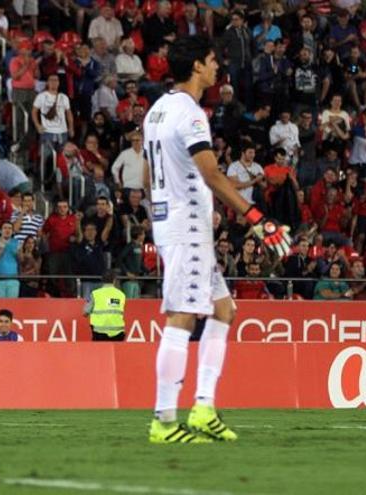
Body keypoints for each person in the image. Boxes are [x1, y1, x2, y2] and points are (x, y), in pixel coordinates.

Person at [143, 35, 290, 443]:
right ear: (195, 67)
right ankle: (164, 421)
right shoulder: (190, 114)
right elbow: (211, 174)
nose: (215, 69)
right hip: (186, 225)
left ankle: (203, 408)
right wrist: (256, 216)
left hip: (173, 220)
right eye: (211, 61)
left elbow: (144, 175)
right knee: (182, 315)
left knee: (224, 310)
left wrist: (160, 214)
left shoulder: (157, 111)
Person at [83, 270, 127, 341]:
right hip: (118, 334)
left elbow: (85, 312)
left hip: (99, 333)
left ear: (102, 280)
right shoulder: (121, 295)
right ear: (114, 280)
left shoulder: (95, 294)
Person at [0, 222, 21, 298]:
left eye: (10, 228)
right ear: (0, 231)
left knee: (12, 306)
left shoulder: (16, 242)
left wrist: (19, 253)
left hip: (13, 279)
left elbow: (20, 260)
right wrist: (2, 247)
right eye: (5, 228)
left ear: (12, 231)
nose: (7, 230)